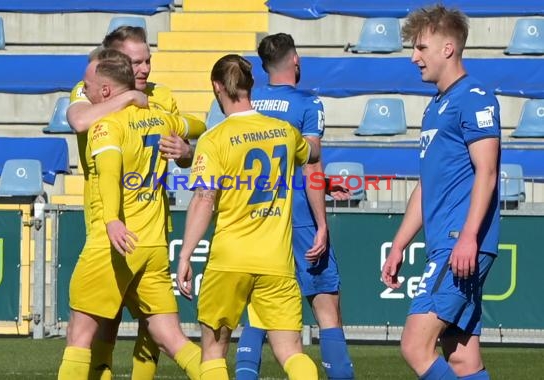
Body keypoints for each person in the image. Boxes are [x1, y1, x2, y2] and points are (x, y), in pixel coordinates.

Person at [57, 49, 205, 380]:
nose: (85, 91)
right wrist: (181, 137)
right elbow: (199, 124)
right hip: (153, 246)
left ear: (106, 91)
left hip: (116, 243)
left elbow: (109, 173)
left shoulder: (106, 125)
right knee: (172, 338)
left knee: (80, 337)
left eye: (89, 86)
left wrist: (111, 220)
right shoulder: (161, 117)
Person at [176, 54, 320, 380]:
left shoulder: (214, 139)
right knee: (291, 351)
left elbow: (204, 198)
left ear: (216, 87)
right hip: (276, 262)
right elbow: (312, 152)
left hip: (230, 259)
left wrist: (185, 253)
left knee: (213, 351)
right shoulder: (283, 131)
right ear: (251, 84)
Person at [381, 5, 500, 380]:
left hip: (458, 244)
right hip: (447, 243)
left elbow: (488, 172)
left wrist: (467, 237)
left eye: (421, 48)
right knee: (462, 357)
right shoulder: (435, 107)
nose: (414, 58)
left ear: (448, 48)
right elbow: (427, 185)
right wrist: (399, 244)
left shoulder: (474, 96)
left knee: (415, 345)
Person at [235, 33, 355, 380]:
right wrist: (322, 223)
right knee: (327, 310)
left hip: (258, 220)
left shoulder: (249, 102)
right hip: (300, 217)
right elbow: (311, 163)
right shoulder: (308, 104)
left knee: (257, 311)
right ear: (296, 60)